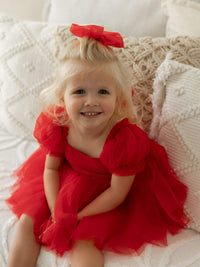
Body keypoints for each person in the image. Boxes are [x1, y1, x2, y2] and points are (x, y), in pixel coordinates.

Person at [6, 24, 189, 267]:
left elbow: (117, 193)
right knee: (28, 221)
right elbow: (50, 169)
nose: (91, 101)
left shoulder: (124, 141)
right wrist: (56, 211)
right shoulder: (58, 125)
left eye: (103, 92)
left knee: (86, 239)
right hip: (63, 180)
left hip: (106, 194)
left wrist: (76, 217)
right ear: (63, 98)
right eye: (79, 91)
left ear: (119, 98)